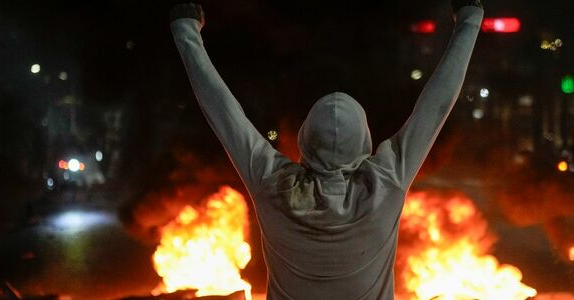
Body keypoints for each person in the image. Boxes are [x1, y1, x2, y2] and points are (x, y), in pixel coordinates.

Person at [169, 1, 484, 299]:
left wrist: (186, 30)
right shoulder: (385, 182)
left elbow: (224, 114)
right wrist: (469, 21)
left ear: (306, 137)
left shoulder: (273, 184)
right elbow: (435, 106)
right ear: (364, 137)